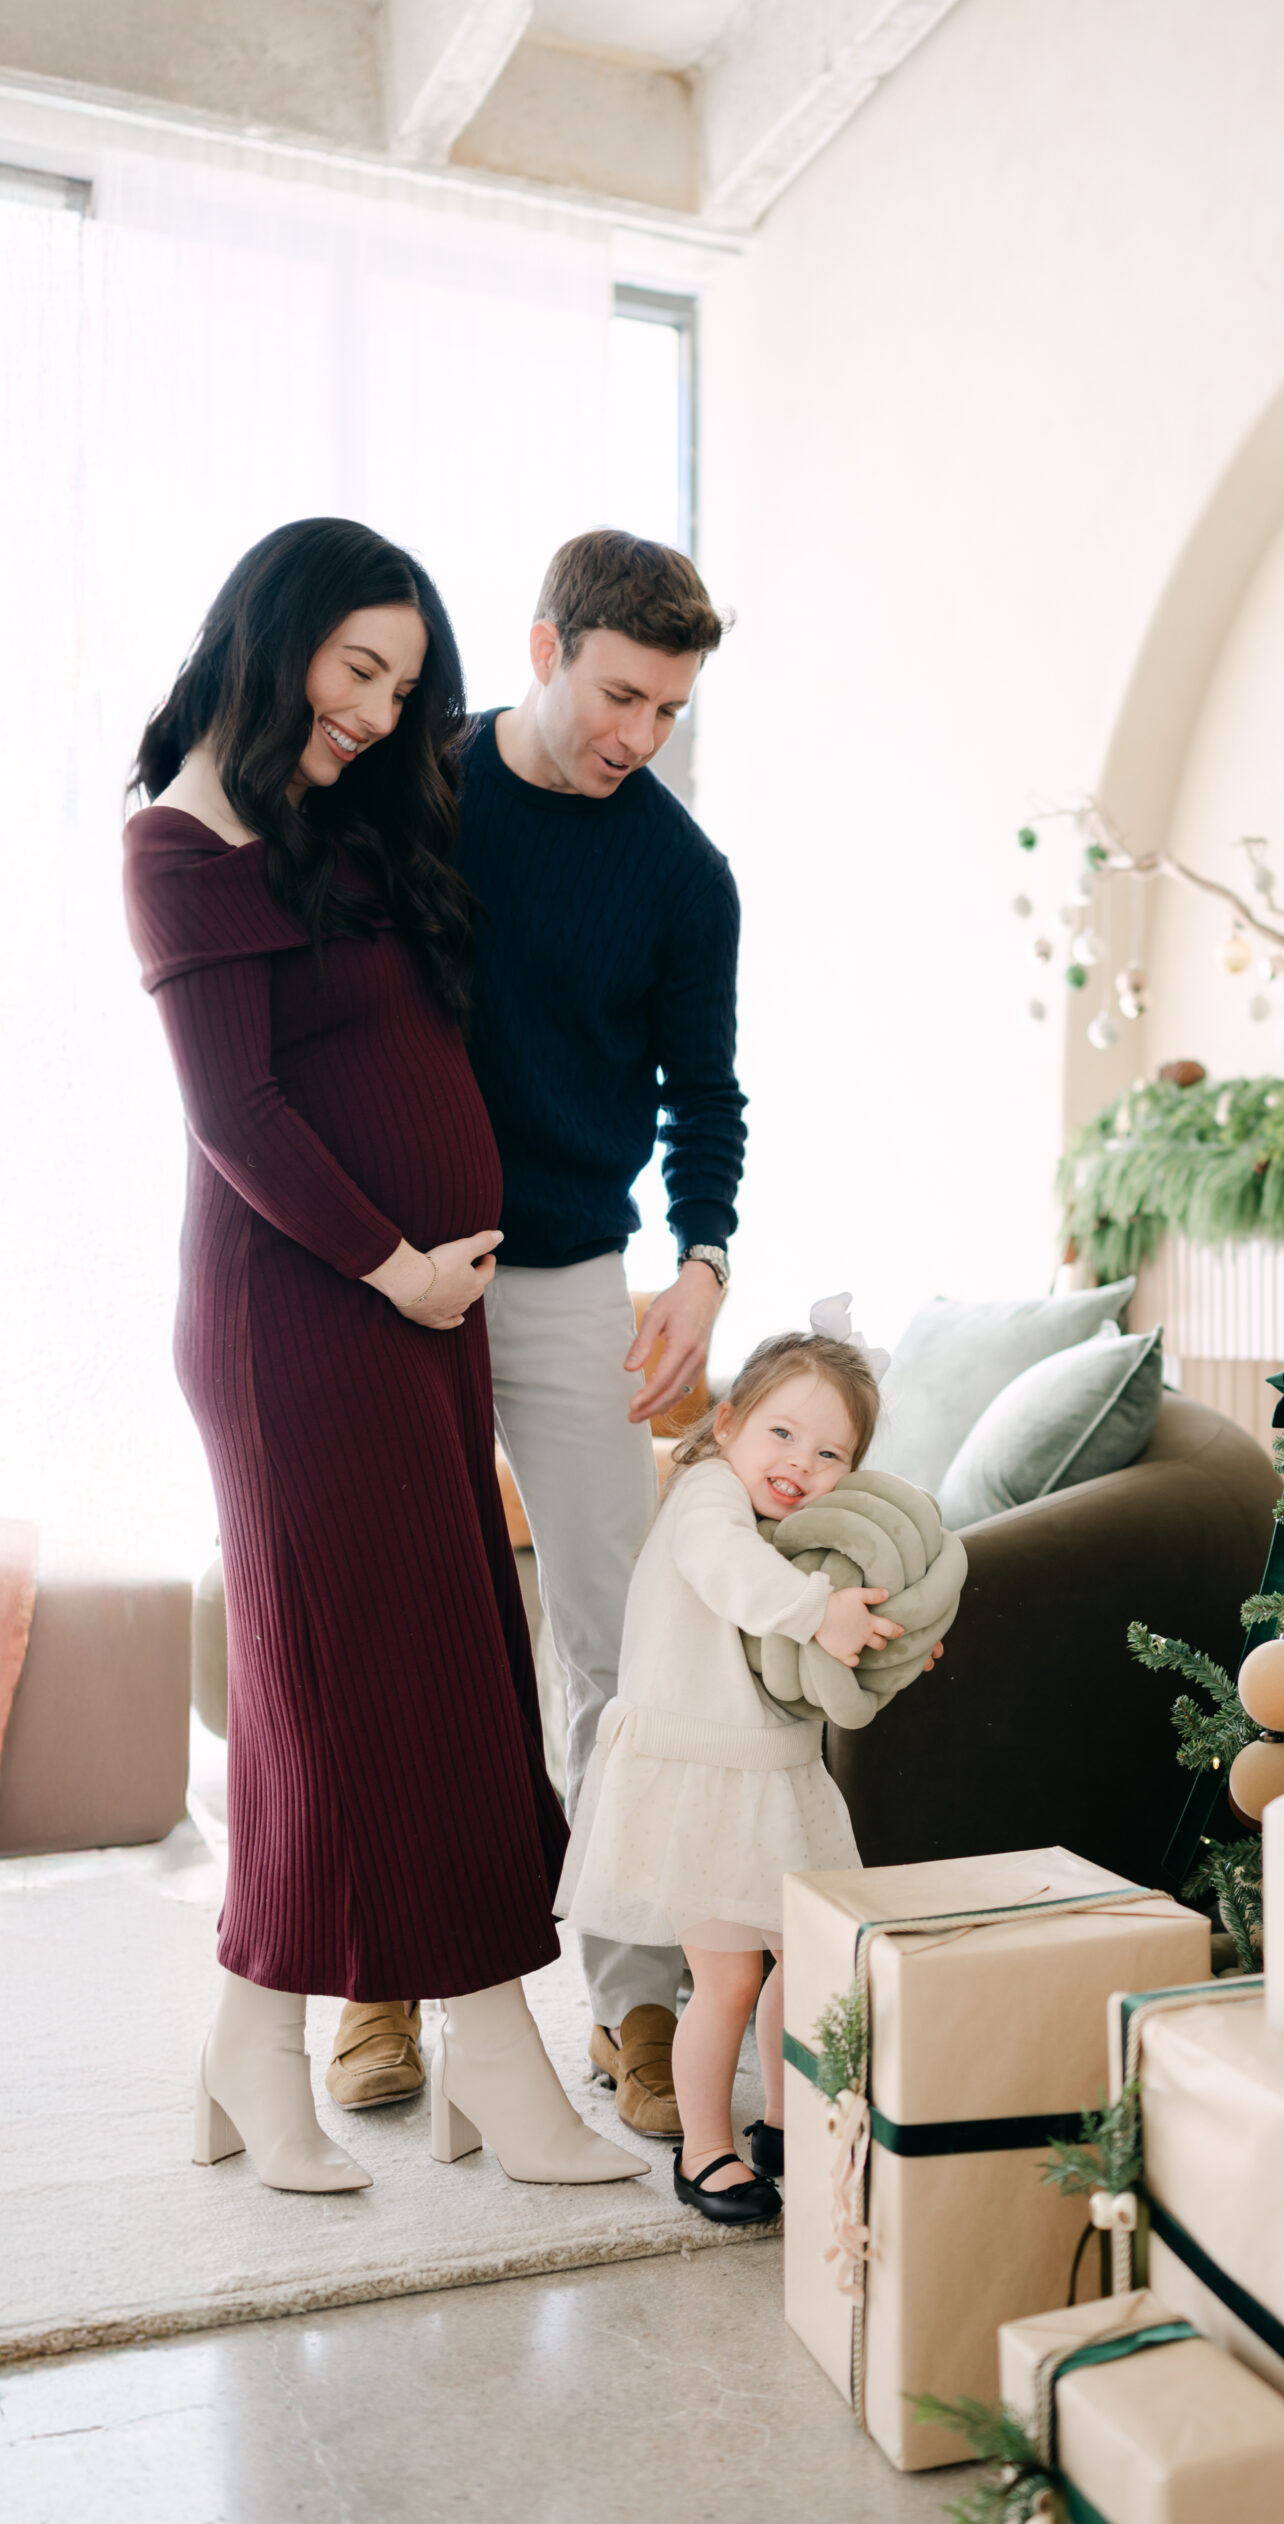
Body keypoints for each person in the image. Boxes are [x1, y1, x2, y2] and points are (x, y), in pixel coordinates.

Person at [123, 517, 643, 2193]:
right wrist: (393, 1263)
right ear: (271, 637)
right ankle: (482, 2056)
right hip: (302, 1321)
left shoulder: (334, 825)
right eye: (359, 669)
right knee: (380, 1689)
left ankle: (252, 2048)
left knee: (375, 1687)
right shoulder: (179, 845)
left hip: (416, 1311)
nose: (375, 709)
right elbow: (236, 1115)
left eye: (404, 682)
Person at [326, 530, 746, 2138]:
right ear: (541, 645)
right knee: (401, 1627)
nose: (636, 735)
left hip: (568, 1275)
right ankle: (378, 1980)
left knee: (613, 1641)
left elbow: (705, 1095)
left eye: (667, 709)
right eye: (619, 692)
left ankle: (638, 2003)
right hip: (384, 1265)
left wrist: (701, 1263)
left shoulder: (679, 872)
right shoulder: (406, 787)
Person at [558, 1328, 903, 2223]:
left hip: (776, 1773)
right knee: (727, 1978)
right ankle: (704, 2148)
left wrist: (882, 1634)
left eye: (830, 1453)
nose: (800, 1464)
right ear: (727, 1424)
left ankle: (786, 2119)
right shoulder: (708, 1495)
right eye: (782, 1435)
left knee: (809, 1953)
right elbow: (725, 1568)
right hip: (697, 1778)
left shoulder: (801, 1527)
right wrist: (812, 1611)